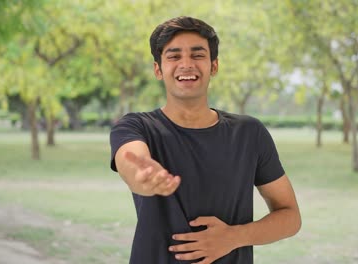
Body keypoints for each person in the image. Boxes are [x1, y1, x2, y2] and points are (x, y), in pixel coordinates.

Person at [109, 16, 301, 264]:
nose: (186, 64)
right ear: (158, 69)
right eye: (174, 56)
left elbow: (290, 217)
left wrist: (234, 237)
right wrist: (144, 176)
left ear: (214, 66)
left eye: (197, 55)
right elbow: (132, 161)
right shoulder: (137, 126)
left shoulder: (249, 133)